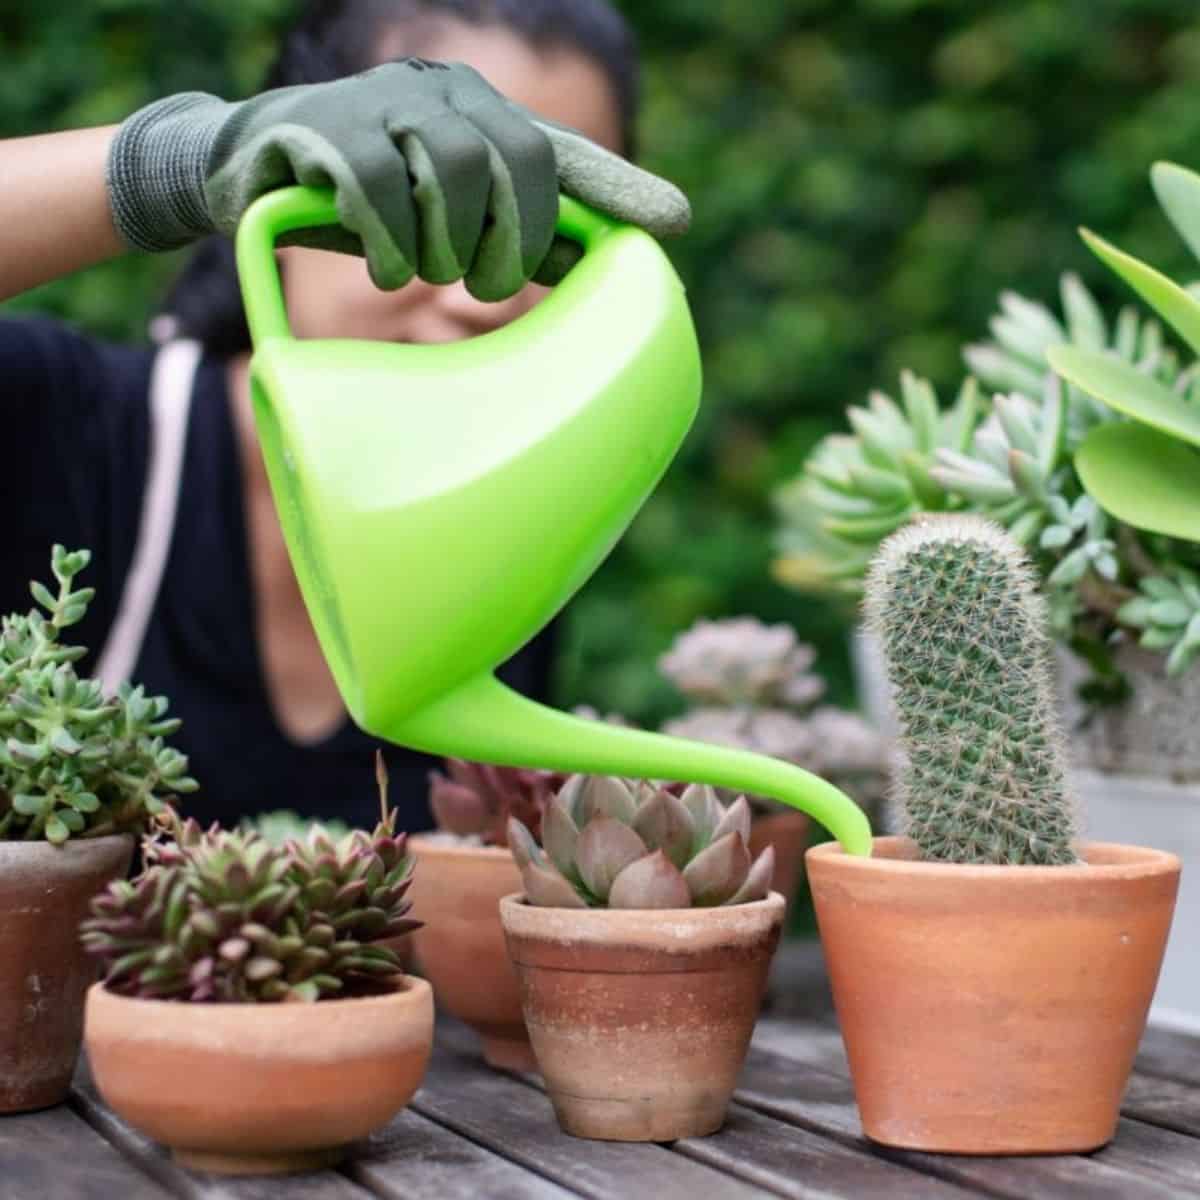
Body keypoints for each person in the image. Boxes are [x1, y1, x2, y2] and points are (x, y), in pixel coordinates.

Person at [0, 0, 689, 831]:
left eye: (544, 224)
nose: (483, 297)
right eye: (420, 204)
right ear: (284, 189)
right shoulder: (69, 428)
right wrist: (179, 164)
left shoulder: (509, 534)